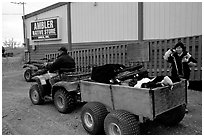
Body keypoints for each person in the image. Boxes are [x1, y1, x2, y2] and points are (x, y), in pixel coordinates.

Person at [163, 41, 197, 113]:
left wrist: (188, 61)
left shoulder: (186, 55)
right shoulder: (173, 56)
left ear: (182, 49)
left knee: (183, 92)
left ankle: (184, 107)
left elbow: (194, 63)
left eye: (180, 48)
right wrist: (170, 50)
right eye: (177, 48)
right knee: (175, 91)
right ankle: (176, 107)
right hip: (175, 76)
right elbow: (165, 58)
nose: (178, 49)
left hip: (185, 76)